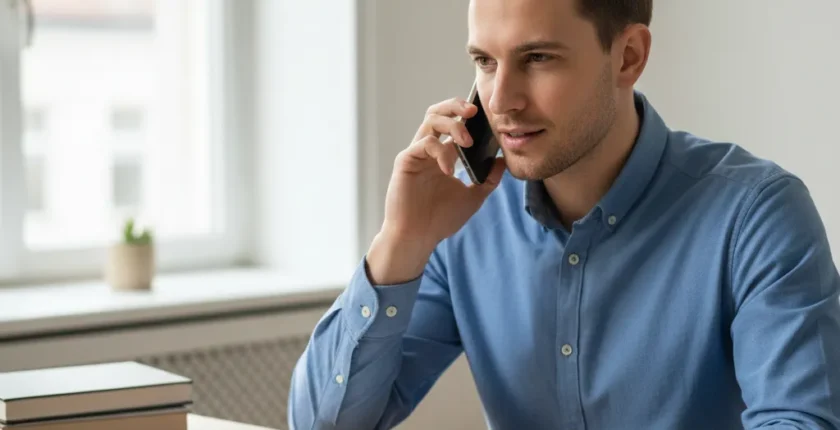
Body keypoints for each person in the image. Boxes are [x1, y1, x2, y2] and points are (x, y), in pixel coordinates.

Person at [287, 0, 840, 428]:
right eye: (484, 62)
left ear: (628, 57)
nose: (501, 100)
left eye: (537, 58)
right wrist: (400, 242)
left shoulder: (756, 215)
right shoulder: (462, 217)